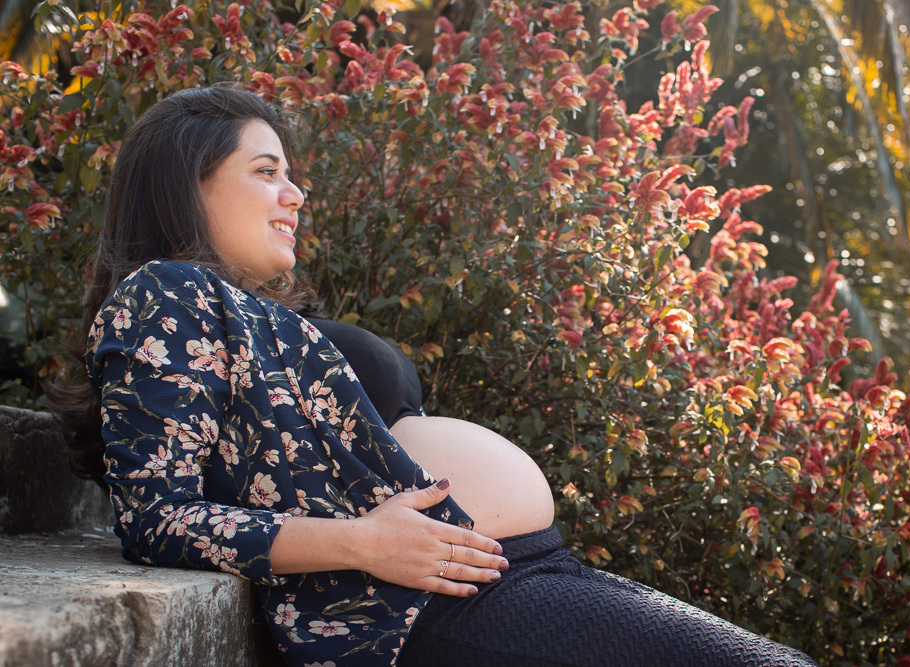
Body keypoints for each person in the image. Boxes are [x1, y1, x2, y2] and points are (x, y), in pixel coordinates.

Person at [54, 86, 818, 667]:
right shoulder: (164, 293)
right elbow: (155, 515)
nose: (296, 194)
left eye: (291, 173)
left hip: (509, 571)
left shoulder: (248, 315)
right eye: (266, 172)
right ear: (187, 183)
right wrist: (362, 542)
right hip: (428, 601)